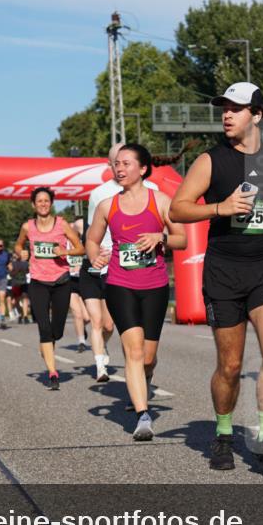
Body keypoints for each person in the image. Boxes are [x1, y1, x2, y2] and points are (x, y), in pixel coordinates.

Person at [170, 82, 263, 478]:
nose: (227, 114)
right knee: (231, 364)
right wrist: (220, 207)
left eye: (236, 108)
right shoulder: (210, 161)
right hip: (224, 271)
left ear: (256, 115)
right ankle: (223, 434)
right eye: (224, 108)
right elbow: (178, 209)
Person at [87, 143, 187, 441]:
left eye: (126, 163)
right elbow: (92, 240)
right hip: (119, 284)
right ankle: (143, 415)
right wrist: (95, 257)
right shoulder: (107, 205)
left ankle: (144, 380)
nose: (119, 168)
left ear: (143, 168)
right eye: (116, 164)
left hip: (155, 286)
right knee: (132, 351)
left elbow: (182, 239)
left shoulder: (161, 200)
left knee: (147, 357)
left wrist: (162, 237)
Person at [14, 187, 84, 390]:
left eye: (46, 201)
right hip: (37, 282)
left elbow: (80, 248)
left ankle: (48, 343)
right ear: (33, 205)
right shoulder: (28, 227)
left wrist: (64, 251)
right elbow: (18, 245)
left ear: (51, 203)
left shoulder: (61, 224)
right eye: (39, 201)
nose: (43, 204)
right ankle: (53, 373)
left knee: (57, 331)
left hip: (61, 281)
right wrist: (21, 253)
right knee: (44, 329)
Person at [66, 219, 91, 352]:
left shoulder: (83, 243)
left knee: (87, 317)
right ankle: (81, 341)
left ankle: (83, 328)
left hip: (83, 280)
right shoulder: (64, 244)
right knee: (77, 313)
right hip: (69, 281)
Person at [9, 249, 31, 324]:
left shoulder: (12, 264)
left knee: (20, 300)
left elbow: (10, 274)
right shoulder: (25, 263)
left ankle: (24, 316)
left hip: (19, 283)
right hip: (18, 283)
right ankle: (23, 315)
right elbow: (28, 271)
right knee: (19, 301)